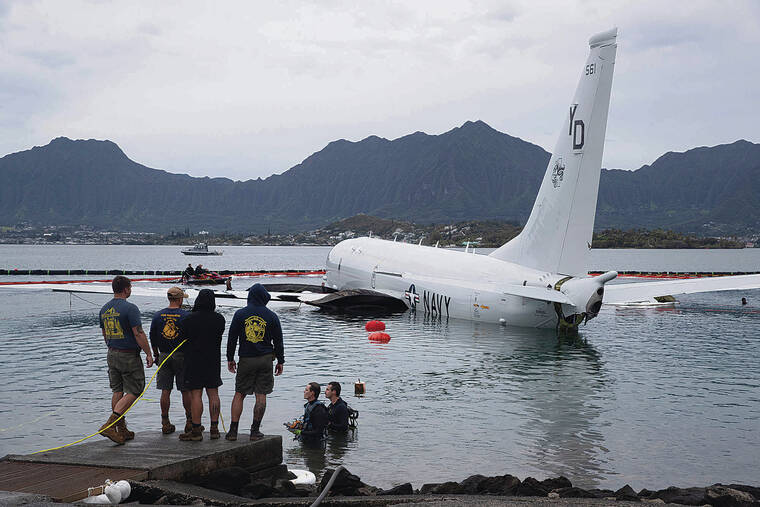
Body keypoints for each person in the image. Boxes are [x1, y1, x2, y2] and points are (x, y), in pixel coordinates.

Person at [98, 276, 154, 444]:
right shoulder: (130, 308)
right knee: (135, 390)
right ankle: (110, 424)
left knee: (118, 390)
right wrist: (149, 353)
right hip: (128, 354)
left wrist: (111, 347)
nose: (131, 290)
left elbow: (105, 335)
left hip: (112, 352)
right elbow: (138, 333)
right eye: (130, 287)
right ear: (125, 289)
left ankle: (120, 429)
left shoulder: (104, 309)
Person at [225, 283, 284, 441]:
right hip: (265, 359)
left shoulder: (240, 314)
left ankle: (232, 431)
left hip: (246, 358)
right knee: (261, 395)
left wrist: (230, 358)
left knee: (240, 394)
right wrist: (281, 360)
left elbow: (232, 339)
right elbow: (279, 342)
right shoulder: (272, 316)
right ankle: (254, 431)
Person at [176, 289, 225, 441]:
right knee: (213, 394)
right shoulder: (220, 319)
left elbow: (181, 340)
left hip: (193, 360)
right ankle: (214, 428)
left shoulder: (188, 319)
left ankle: (196, 430)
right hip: (213, 360)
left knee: (196, 394)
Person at [149, 287, 192, 435]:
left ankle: (165, 422)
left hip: (164, 355)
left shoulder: (157, 315)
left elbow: (152, 338)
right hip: (182, 356)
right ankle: (189, 421)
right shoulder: (186, 316)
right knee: (185, 390)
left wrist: (155, 355)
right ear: (180, 299)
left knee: (165, 390)